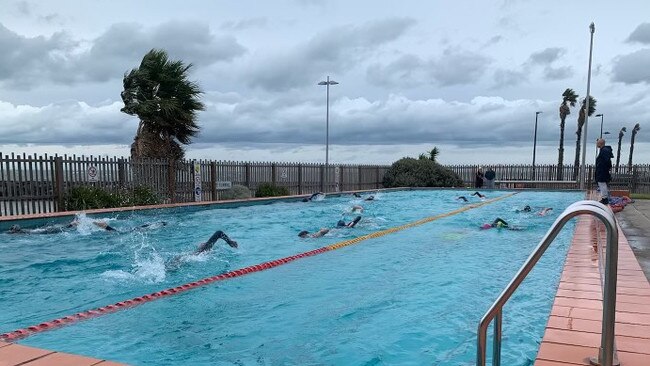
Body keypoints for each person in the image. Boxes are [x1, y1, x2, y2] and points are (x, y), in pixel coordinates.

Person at [595, 138, 614, 205]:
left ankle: (605, 199)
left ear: (600, 143)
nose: (596, 144)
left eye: (597, 143)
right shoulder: (603, 150)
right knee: (601, 184)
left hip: (603, 171)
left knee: (602, 183)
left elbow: (607, 161)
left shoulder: (604, 151)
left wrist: (605, 168)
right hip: (602, 170)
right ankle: (604, 198)